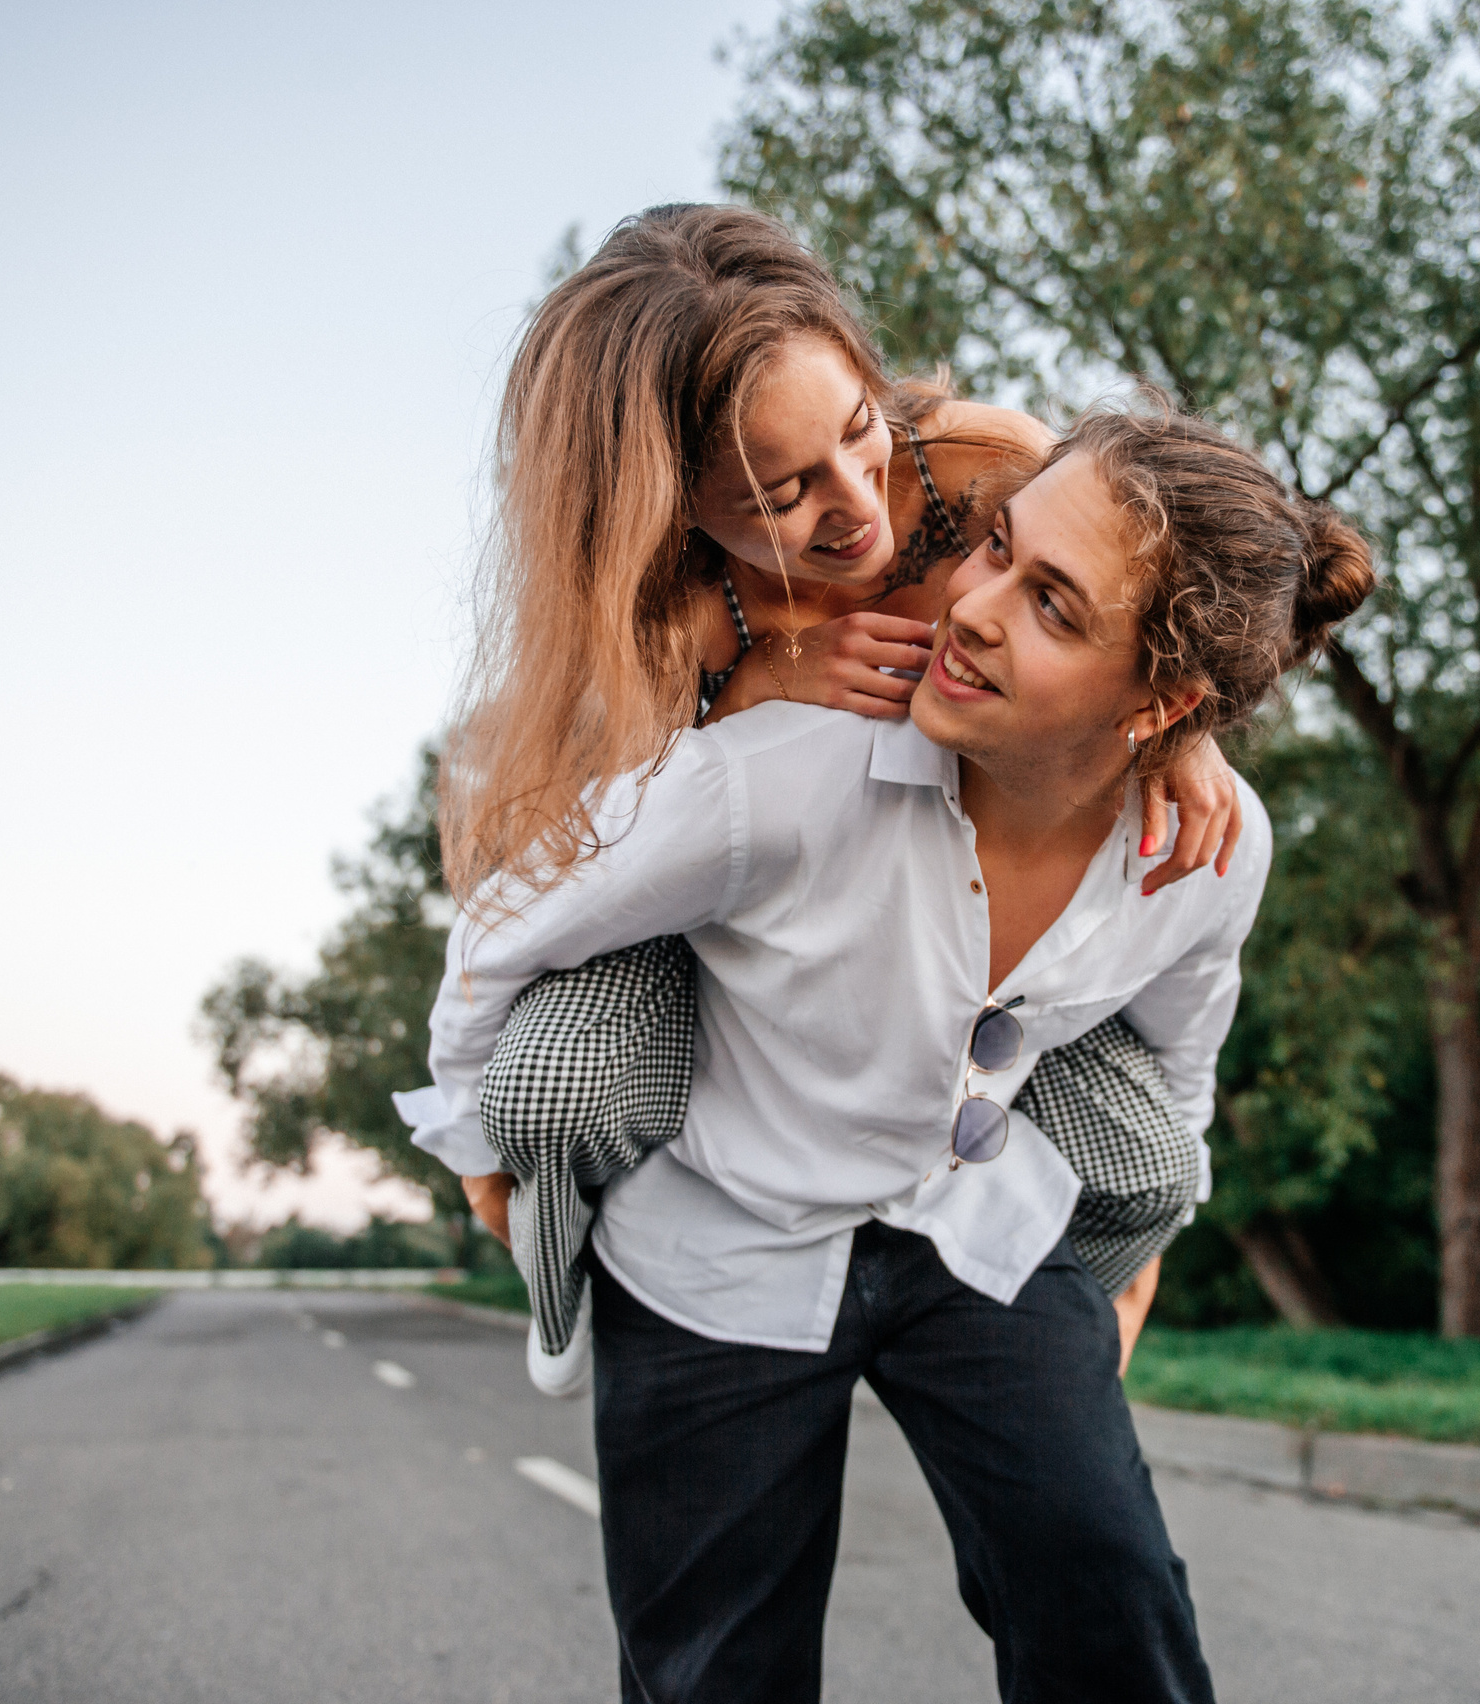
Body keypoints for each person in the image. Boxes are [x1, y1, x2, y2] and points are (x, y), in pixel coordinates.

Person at [414, 402, 1374, 1703]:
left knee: (1113, 1602)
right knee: (714, 1673)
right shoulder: (784, 774)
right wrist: (480, 1140)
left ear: (1168, 706)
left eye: (1055, 607)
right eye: (995, 550)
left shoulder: (1207, 849)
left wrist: (1137, 1257)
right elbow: (504, 927)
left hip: (972, 1229)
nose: (974, 607)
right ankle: (564, 1279)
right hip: (722, 1239)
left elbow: (1176, 1050)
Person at [414, 204, 1245, 1392]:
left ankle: (1065, 1305)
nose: (857, 506)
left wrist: (1182, 721)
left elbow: (1136, 598)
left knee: (1154, 1162)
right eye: (779, 496)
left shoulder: (988, 460)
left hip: (965, 923)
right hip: (736, 934)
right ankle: (572, 1273)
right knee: (550, 1087)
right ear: (671, 505)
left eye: (860, 431)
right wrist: (759, 682)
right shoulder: (672, 623)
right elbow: (597, 865)